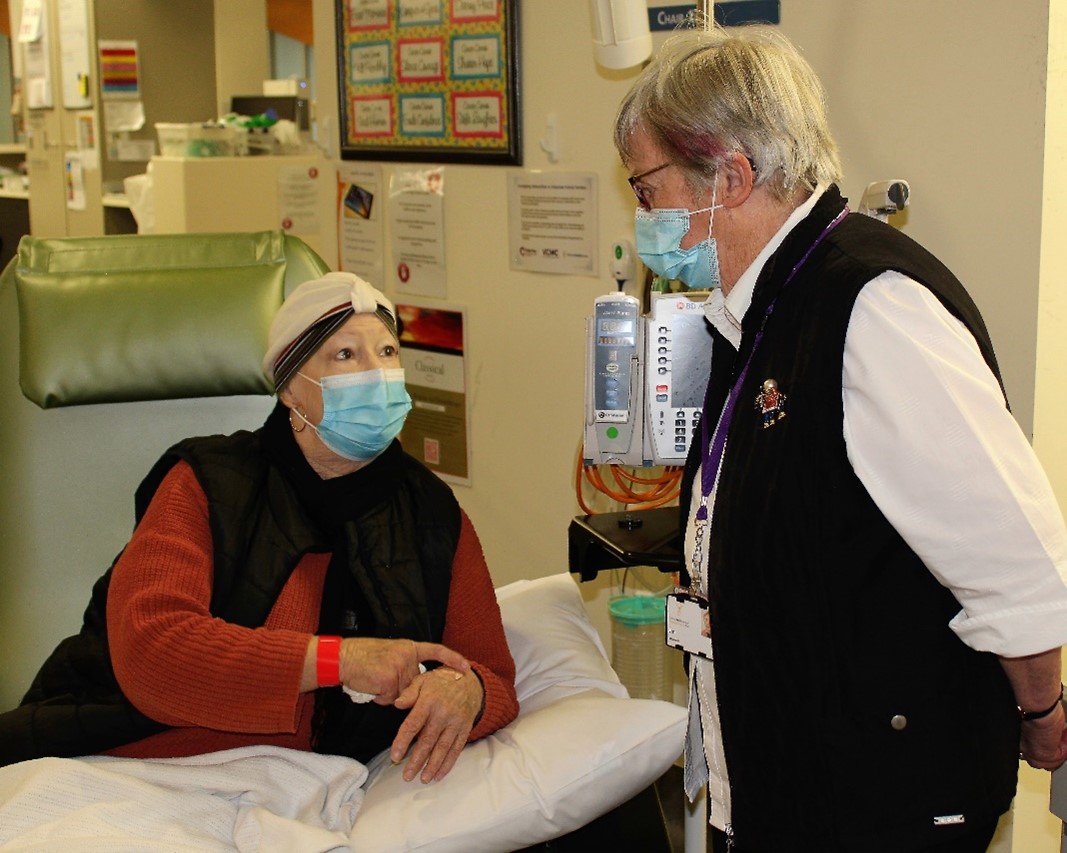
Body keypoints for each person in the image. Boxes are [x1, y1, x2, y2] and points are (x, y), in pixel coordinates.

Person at [614, 24, 1067, 853]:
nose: (643, 216)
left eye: (647, 189)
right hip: (797, 770)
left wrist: (1040, 714)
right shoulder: (758, 312)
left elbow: (1019, 565)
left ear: (731, 175)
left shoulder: (872, 307)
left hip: (879, 796)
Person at [0, 271, 519, 785]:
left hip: (313, 787)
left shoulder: (430, 510)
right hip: (143, 763)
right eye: (345, 356)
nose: (377, 375)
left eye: (387, 353)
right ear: (292, 389)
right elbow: (151, 651)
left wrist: (466, 691)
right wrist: (340, 660)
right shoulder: (209, 482)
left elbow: (491, 673)